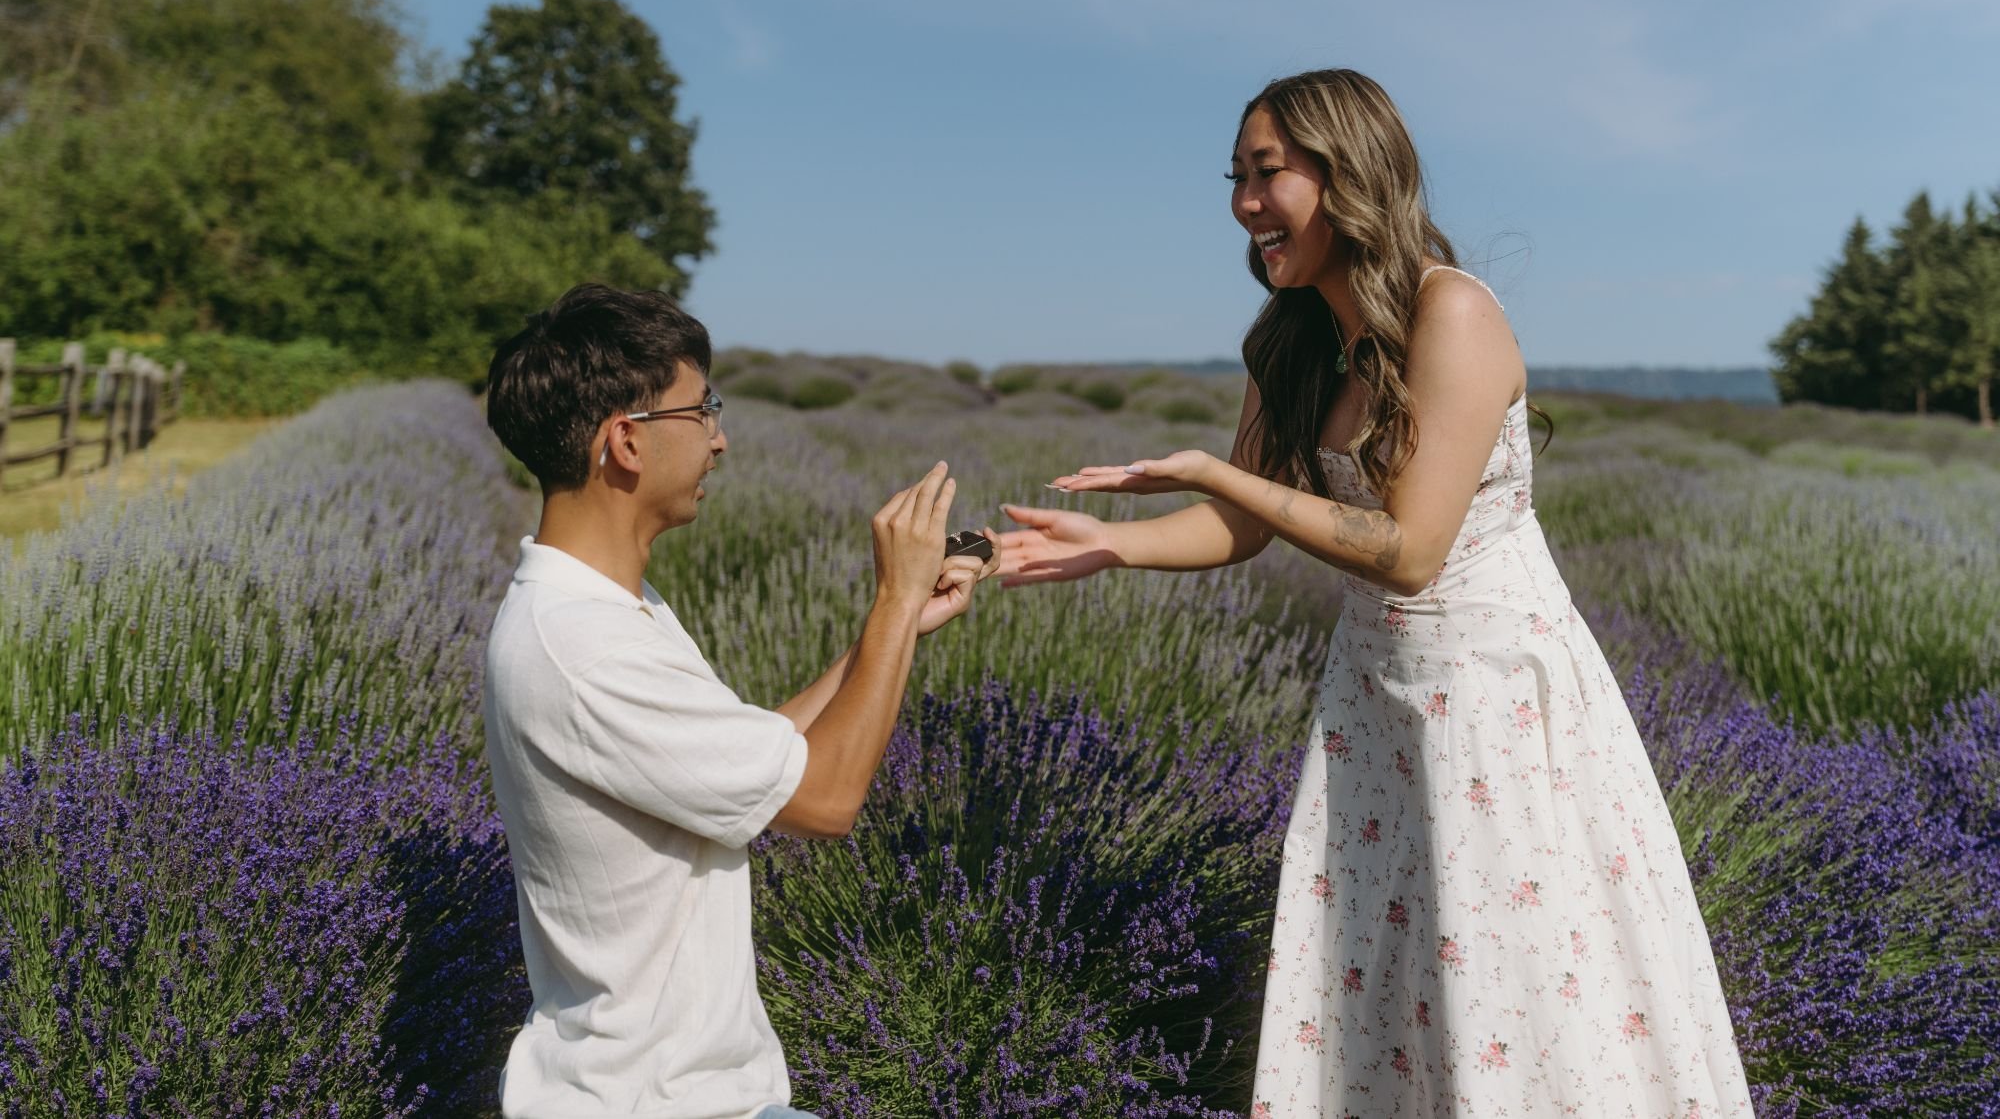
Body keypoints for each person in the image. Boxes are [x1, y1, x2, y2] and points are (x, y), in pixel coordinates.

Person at [995, 70, 1752, 1116]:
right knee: (1390, 1005)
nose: (1244, 204)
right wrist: (1113, 546)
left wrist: (1216, 471)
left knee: (1519, 992)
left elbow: (1408, 551)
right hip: (1373, 708)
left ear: (1345, 173)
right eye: (1235, 178)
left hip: (1489, 711)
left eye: (1266, 173)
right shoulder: (1292, 335)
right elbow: (1246, 524)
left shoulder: (1453, 314)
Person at [481, 283, 995, 1119]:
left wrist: (894, 627)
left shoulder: (603, 610)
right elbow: (825, 798)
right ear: (627, 441)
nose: (719, 439)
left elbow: (759, 749)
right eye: (702, 410)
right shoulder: (586, 646)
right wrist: (895, 599)